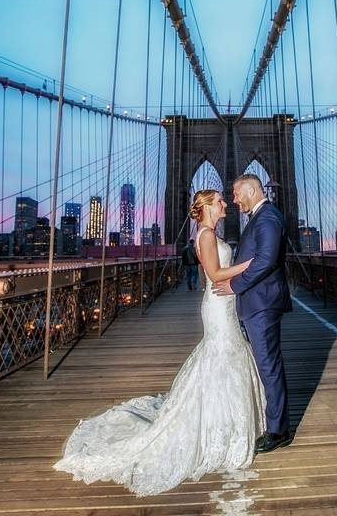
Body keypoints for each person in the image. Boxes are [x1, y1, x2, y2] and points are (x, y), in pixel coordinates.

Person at [53, 189, 264, 496]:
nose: (224, 204)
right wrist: (251, 265)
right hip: (219, 305)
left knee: (226, 358)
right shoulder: (205, 235)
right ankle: (221, 429)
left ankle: (227, 426)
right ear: (206, 207)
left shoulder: (208, 233)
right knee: (223, 355)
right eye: (219, 200)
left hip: (224, 303)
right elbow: (215, 274)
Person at [212, 173, 293, 454]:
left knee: (269, 366)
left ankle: (278, 430)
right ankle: (274, 422)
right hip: (257, 303)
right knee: (266, 365)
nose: (234, 200)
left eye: (236, 194)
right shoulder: (260, 218)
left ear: (250, 190)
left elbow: (266, 260)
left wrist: (235, 286)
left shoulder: (268, 217)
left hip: (263, 303)